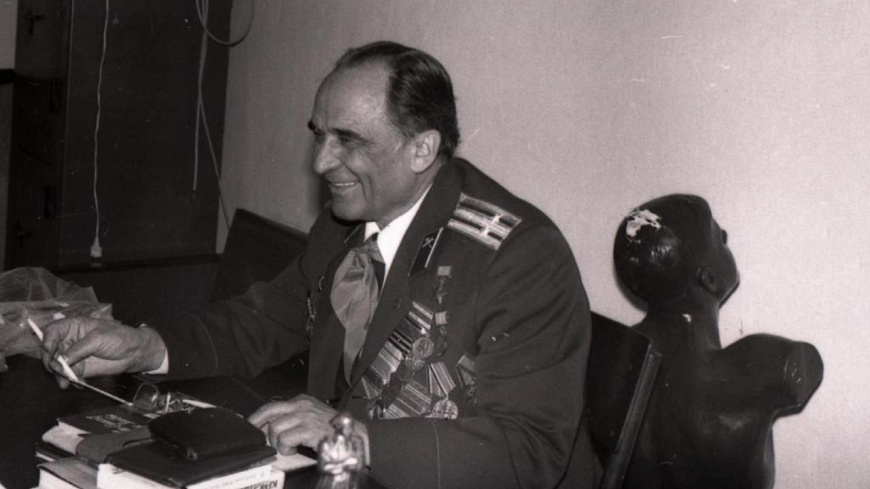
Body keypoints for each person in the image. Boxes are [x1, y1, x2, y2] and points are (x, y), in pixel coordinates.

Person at [40, 41, 599, 488]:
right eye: (320, 134)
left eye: (348, 141)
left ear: (422, 150)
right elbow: (268, 319)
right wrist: (144, 346)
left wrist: (350, 434)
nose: (321, 161)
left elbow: (531, 452)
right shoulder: (346, 222)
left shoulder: (520, 257)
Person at [612, 194, 823, 489]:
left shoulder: (610, 355)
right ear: (708, 279)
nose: (725, 235)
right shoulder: (769, 363)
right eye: (717, 235)